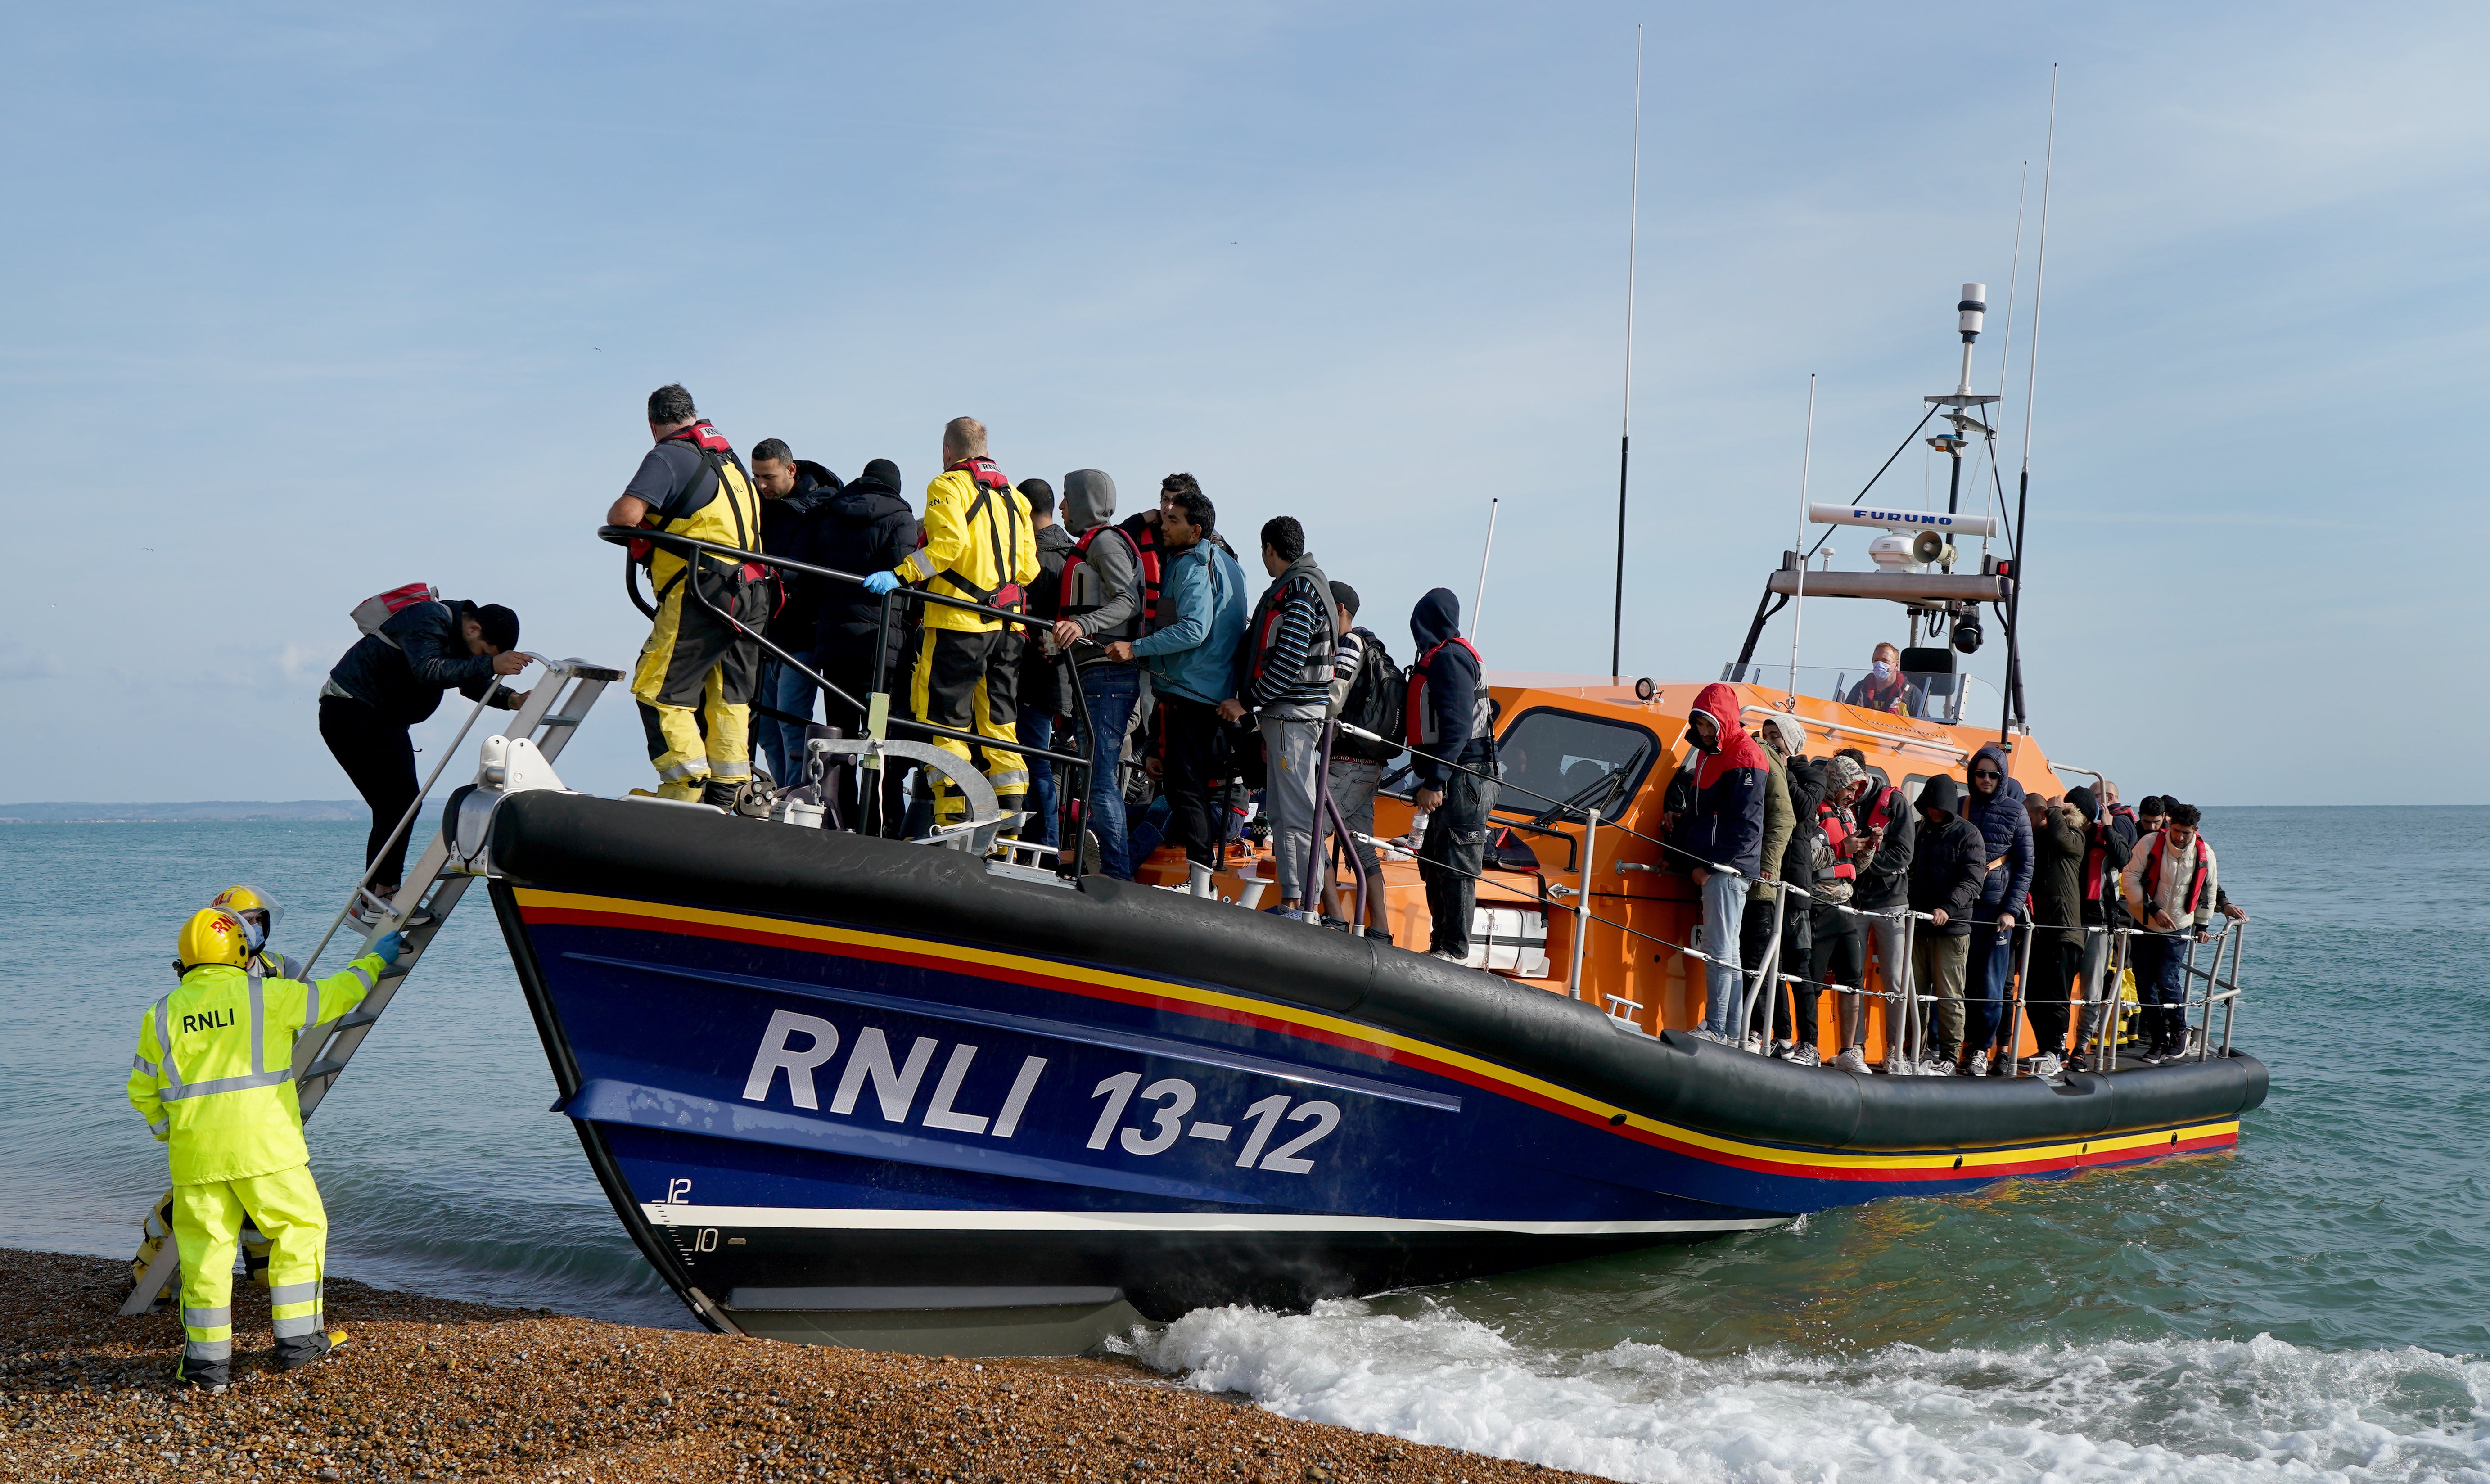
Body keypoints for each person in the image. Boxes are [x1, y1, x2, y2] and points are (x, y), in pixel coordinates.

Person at [129, 908, 402, 1390]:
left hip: (197, 1159)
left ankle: (205, 1370)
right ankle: (298, 1344)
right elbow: (337, 995)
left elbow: (143, 1092)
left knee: (206, 1258)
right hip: (265, 1149)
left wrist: (171, 1134)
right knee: (300, 1229)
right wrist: (375, 962)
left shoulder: (162, 1014)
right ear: (239, 951)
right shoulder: (267, 996)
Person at [861, 417, 1039, 833]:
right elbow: (1028, 570)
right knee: (999, 726)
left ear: (947, 452)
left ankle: (954, 818)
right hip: (1009, 630)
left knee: (946, 723)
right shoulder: (1017, 499)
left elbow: (947, 547)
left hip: (958, 624)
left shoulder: (946, 487)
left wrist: (901, 574)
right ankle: (1010, 824)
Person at [320, 595, 531, 923]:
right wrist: (491, 664)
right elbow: (429, 671)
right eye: (482, 652)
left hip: (377, 717)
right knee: (399, 805)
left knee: (398, 806)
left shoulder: (459, 634)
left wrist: (512, 699)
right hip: (352, 710)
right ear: (474, 628)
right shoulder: (429, 619)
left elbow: (467, 682)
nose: (479, 658)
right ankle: (378, 897)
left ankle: (377, 896)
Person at [609, 384, 769, 807]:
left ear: (652, 424)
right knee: (728, 693)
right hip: (753, 592)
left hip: (703, 589)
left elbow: (624, 516)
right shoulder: (730, 461)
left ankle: (687, 787)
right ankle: (730, 789)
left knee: (656, 688)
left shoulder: (668, 455)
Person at [1106, 478, 1245, 891]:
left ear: (1195, 531)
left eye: (1173, 520)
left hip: (1189, 691)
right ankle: (1199, 877)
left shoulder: (1190, 564)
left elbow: (1193, 629)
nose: (1164, 525)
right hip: (1212, 691)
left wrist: (1136, 648)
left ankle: (1199, 879)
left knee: (1185, 789)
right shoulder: (1231, 565)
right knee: (1186, 788)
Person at [795, 457, 917, 832]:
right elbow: (905, 574)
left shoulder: (830, 514)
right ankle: (877, 823)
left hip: (835, 647)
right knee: (877, 739)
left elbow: (808, 571)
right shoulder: (900, 517)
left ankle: (840, 817)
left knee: (842, 733)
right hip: (880, 652)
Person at [1223, 517, 1334, 919]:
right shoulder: (1307, 584)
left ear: (1270, 548)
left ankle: (1301, 903)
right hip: (1288, 717)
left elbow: (1288, 660)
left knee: (1296, 811)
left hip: (1292, 716)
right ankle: (1298, 899)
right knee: (1288, 810)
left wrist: (1247, 702)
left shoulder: (1299, 589)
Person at [1054, 469, 1148, 877]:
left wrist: (1083, 626)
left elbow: (1128, 600)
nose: (1061, 508)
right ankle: (1113, 868)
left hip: (1107, 679)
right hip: (1096, 677)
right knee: (1099, 776)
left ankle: (1116, 871)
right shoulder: (1099, 545)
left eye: (1066, 499)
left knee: (1101, 777)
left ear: (1084, 501)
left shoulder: (1106, 544)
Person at [1670, 683, 1768, 1038]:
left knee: (1719, 950)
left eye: (1709, 724)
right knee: (1729, 950)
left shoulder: (1745, 755)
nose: (1703, 732)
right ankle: (1731, 1029)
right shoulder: (1710, 755)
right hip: (1721, 867)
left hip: (1726, 869)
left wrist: (1710, 866)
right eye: (1699, 725)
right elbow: (1701, 814)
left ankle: (1717, 1027)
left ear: (1724, 721)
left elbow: (1746, 826)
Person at [1407, 589, 1496, 962]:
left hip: (1463, 777)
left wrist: (1435, 780)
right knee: (1434, 861)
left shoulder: (1449, 659)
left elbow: (1458, 728)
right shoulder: (1456, 655)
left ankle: (1455, 949)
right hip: (1457, 774)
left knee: (1456, 864)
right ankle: (1440, 942)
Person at [749, 438, 843, 792]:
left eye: (768, 477)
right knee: (767, 731)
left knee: (792, 721)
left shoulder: (823, 507)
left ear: (791, 471)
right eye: (756, 476)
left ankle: (794, 797)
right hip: (764, 630)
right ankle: (780, 794)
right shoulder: (758, 505)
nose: (761, 485)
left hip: (802, 629)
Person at [1323, 581, 1398, 939]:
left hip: (1347, 762)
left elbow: (1334, 697)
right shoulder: (1372, 647)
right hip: (1369, 764)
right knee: (1363, 847)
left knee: (1307, 833)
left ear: (1339, 609)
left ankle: (1334, 916)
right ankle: (1380, 928)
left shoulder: (1350, 644)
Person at [2120, 800, 2219, 1061]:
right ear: (2169, 825)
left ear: (2195, 830)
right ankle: (2157, 1039)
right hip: (2145, 922)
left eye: (2186, 832)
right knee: (2144, 984)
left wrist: (2203, 924)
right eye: (2175, 830)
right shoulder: (2150, 843)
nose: (2180, 837)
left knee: (2167, 981)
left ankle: (2178, 1033)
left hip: (2178, 927)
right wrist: (2152, 909)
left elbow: (2209, 890)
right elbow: (2129, 877)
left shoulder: (2205, 853)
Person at [1837, 747, 1916, 1074]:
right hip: (1855, 902)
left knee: (1895, 981)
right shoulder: (1843, 802)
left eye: (1852, 780)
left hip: (1891, 901)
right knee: (1852, 976)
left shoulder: (1894, 802)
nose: (1849, 787)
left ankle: (1894, 1052)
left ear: (1864, 774)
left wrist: (1864, 863)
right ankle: (1854, 1048)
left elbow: (1903, 854)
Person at [1907, 774, 1988, 1074]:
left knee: (1949, 995)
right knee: (1915, 995)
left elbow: (1971, 880)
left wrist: (1947, 908)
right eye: (1929, 806)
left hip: (1951, 929)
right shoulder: (1918, 830)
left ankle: (1949, 1057)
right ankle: (1913, 1052)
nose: (1934, 811)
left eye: (1938, 806)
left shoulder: (1969, 835)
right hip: (1919, 925)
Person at [1961, 744, 2034, 1076]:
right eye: (1981, 773)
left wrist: (2011, 910)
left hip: (1995, 911)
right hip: (1961, 907)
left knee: (1991, 986)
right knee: (1956, 982)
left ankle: (1980, 1049)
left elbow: (2024, 866)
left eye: (1993, 774)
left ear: (2002, 776)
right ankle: (1949, 1047)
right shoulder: (1962, 806)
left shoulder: (2016, 812)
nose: (1986, 779)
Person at [1016, 478, 1077, 846]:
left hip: (1029, 677)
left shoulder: (1029, 557)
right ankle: (1048, 843)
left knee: (1032, 760)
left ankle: (1043, 844)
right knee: (1041, 762)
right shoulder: (1075, 555)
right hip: (1067, 679)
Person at [1741, 714, 1806, 1054]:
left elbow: (1786, 818)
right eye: (1765, 734)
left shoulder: (1785, 772)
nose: (1768, 740)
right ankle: (1779, 1032)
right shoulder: (1764, 759)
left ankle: (1759, 1030)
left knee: (1759, 958)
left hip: (1768, 881)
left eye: (1776, 735)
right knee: (1767, 962)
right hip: (1765, 875)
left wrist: (1767, 867)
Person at [1812, 756, 1872, 1073]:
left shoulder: (1848, 815)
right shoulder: (1814, 812)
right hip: (1819, 904)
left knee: (1852, 980)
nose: (1853, 794)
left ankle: (1849, 1050)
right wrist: (1841, 848)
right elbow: (1805, 857)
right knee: (1812, 978)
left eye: (1857, 788)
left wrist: (1866, 849)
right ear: (1835, 782)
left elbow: (1856, 868)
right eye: (1849, 787)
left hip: (1846, 905)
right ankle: (1808, 1043)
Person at [2023, 790, 2089, 1079]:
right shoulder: (2042, 841)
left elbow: (2062, 838)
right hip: (2042, 931)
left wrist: (2053, 809)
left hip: (2066, 931)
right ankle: (2046, 1049)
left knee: (2057, 996)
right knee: (2032, 993)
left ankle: (2058, 1051)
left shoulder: (2075, 838)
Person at [2065, 785, 2134, 1057]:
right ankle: (2056, 1045)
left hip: (2099, 924)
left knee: (2092, 992)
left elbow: (2125, 859)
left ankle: (2081, 1047)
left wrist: (2108, 828)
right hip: (2065, 922)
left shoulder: (2103, 836)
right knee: (2056, 989)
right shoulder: (2060, 836)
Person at [208, 885, 300, 979]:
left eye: (259, 919)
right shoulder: (210, 972)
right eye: (246, 920)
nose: (255, 926)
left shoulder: (281, 965)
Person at [1844, 643, 1911, 714]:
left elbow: (1922, 721)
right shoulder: (1860, 688)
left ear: (1896, 665)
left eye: (1885, 661)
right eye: (1876, 660)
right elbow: (1845, 714)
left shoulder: (1911, 693)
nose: (1879, 664)